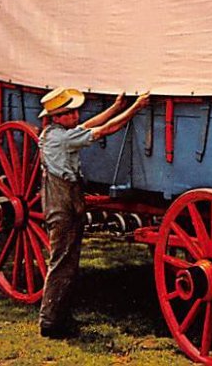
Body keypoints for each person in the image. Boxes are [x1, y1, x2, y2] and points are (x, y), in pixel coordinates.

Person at [37, 87, 150, 337]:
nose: (76, 116)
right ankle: (49, 323)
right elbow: (102, 130)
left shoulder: (56, 133)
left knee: (67, 261)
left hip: (65, 201)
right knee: (62, 262)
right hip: (62, 205)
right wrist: (136, 108)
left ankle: (59, 317)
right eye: (70, 113)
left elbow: (89, 125)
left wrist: (117, 107)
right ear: (57, 117)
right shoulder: (62, 139)